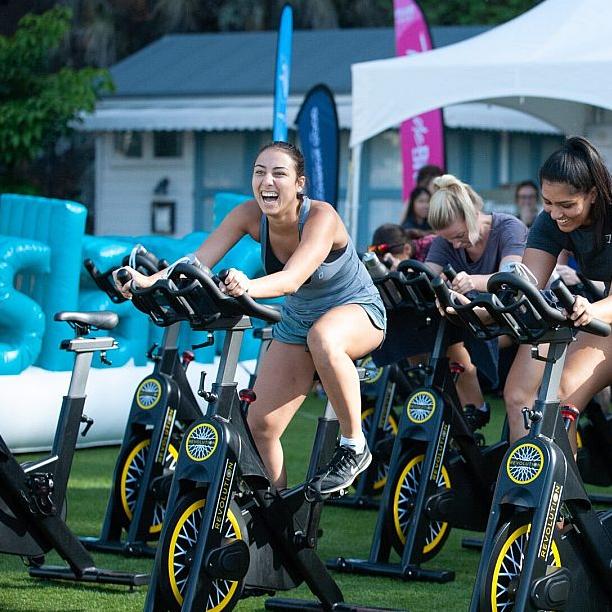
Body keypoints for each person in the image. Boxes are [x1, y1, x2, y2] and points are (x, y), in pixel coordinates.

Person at [116, 141, 386, 495]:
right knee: (260, 429)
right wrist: (146, 281)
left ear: (300, 183)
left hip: (357, 310)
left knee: (325, 337)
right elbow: (196, 262)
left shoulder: (322, 217)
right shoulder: (247, 215)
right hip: (300, 321)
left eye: (279, 173)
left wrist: (247, 285)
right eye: (259, 173)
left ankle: (354, 447)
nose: (267, 181)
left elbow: (291, 279)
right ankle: (276, 526)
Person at [503, 136, 612, 444]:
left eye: (566, 205)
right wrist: (486, 306)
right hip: (600, 309)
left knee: (564, 393)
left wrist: (590, 308)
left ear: (592, 195)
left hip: (603, 309)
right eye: (548, 203)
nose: (555, 213)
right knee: (536, 396)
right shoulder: (550, 220)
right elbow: (529, 285)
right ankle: (533, 490)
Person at [425, 174, 528, 428]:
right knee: (439, 329)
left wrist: (474, 281)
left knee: (518, 398)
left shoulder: (508, 227)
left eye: (459, 236)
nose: (455, 245)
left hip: (524, 320)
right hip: (483, 321)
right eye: (449, 240)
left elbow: (511, 278)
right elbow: (427, 276)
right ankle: (475, 407)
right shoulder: (446, 241)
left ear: (471, 214)